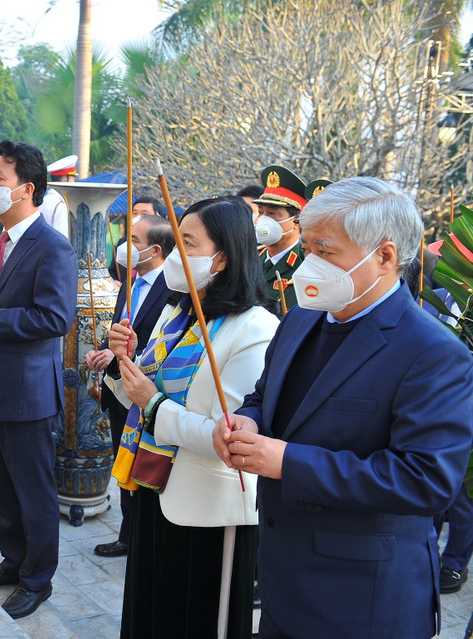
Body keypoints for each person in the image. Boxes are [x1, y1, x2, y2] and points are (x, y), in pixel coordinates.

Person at [214, 177, 473, 639]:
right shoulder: (299, 319)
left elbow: (426, 481)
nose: (310, 265)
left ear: (385, 256)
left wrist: (286, 461)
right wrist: (246, 419)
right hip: (283, 583)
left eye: (326, 251)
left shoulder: (433, 352)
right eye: (308, 248)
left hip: (364, 600)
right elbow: (264, 395)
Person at [109, 196, 279, 639]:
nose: (175, 254)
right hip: (154, 486)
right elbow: (138, 395)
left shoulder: (255, 328)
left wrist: (154, 405)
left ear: (222, 257)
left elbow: (232, 439)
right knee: (152, 617)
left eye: (189, 242)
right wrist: (120, 360)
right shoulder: (176, 312)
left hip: (208, 509)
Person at [0, 140, 77, 619]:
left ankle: (37, 578)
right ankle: (14, 559)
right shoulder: (2, 240)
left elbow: (54, 319)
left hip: (26, 392)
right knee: (4, 487)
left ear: (26, 189)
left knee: (33, 492)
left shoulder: (52, 247)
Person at [86, 213, 174, 557]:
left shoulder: (171, 286)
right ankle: (128, 534)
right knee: (122, 461)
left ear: (155, 249)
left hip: (148, 390)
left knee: (145, 465)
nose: (125, 247)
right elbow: (119, 335)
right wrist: (105, 354)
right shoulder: (130, 282)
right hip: (118, 389)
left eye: (134, 240)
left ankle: (143, 537)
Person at [253, 166, 307, 317]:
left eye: (273, 214)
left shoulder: (306, 264)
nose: (264, 220)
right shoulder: (252, 259)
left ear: (297, 220)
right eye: (261, 212)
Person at [39, 154, 77, 238]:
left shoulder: (43, 199)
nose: (74, 182)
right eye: (73, 179)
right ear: (65, 179)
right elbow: (61, 242)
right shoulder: (59, 204)